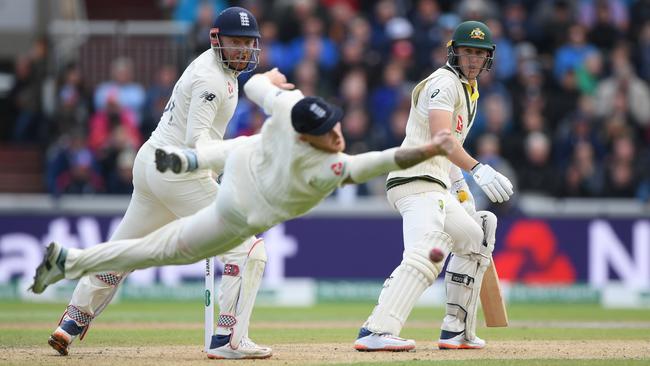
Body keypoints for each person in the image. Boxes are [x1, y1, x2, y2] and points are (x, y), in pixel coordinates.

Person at [30, 69, 455, 359]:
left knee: (143, 248)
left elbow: (254, 86)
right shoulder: (327, 167)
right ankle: (228, 337)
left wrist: (269, 79)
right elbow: (383, 160)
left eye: (338, 127)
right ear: (313, 139)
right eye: (332, 133)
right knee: (247, 252)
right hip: (236, 211)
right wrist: (432, 148)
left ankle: (71, 261)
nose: (340, 135)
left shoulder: (290, 111)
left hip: (237, 167)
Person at [46, 6, 278, 360]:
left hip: (152, 162)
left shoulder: (219, 70)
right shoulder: (211, 80)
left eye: (249, 43)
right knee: (248, 249)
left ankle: (71, 322)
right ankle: (229, 339)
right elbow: (198, 141)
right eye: (236, 43)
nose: (243, 51)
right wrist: (244, 150)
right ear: (216, 40)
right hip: (178, 172)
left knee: (124, 249)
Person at [353, 20, 513, 352]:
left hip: (436, 183)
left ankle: (456, 329)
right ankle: (376, 329)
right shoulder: (444, 82)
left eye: (479, 54)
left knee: (476, 235)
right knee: (428, 252)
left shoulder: (470, 91)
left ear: (488, 59)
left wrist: (462, 190)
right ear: (454, 52)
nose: (472, 60)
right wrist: (478, 169)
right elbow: (442, 139)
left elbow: (448, 149)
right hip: (415, 179)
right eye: (467, 52)